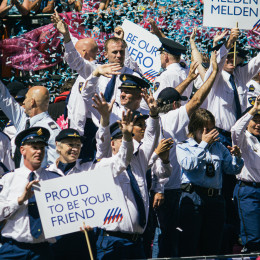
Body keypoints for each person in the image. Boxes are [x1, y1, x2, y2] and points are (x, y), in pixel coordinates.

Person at [151, 51, 218, 258]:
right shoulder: (172, 117)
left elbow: (168, 97)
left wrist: (189, 79)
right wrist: (213, 72)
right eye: (179, 103)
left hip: (154, 186)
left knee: (161, 236)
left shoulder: (154, 117)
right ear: (175, 105)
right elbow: (197, 99)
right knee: (165, 238)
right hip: (167, 188)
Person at [176, 108, 244, 257]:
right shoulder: (183, 146)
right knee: (189, 245)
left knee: (212, 246)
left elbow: (232, 170)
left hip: (215, 200)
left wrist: (237, 158)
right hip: (193, 198)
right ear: (196, 128)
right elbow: (189, 165)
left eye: (213, 128)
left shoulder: (219, 147)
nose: (211, 133)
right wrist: (203, 145)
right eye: (206, 129)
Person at [0, 127, 60, 259]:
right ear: (22, 150)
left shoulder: (55, 179)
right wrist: (19, 200)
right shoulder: (9, 179)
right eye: (34, 147)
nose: (39, 151)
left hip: (43, 250)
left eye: (42, 148)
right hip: (13, 249)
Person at [0, 80, 61, 168]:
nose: (24, 102)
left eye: (26, 98)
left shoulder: (51, 130)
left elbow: (55, 165)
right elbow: (5, 99)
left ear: (32, 102)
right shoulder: (24, 120)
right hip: (20, 177)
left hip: (38, 179)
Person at [232, 95, 260, 253]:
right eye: (255, 120)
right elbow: (235, 130)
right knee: (253, 238)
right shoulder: (243, 139)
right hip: (249, 191)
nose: (258, 124)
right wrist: (253, 109)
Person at [153, 36, 192, 101]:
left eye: (161, 54)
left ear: (165, 56)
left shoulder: (164, 76)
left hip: (168, 110)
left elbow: (158, 100)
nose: (160, 57)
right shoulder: (187, 72)